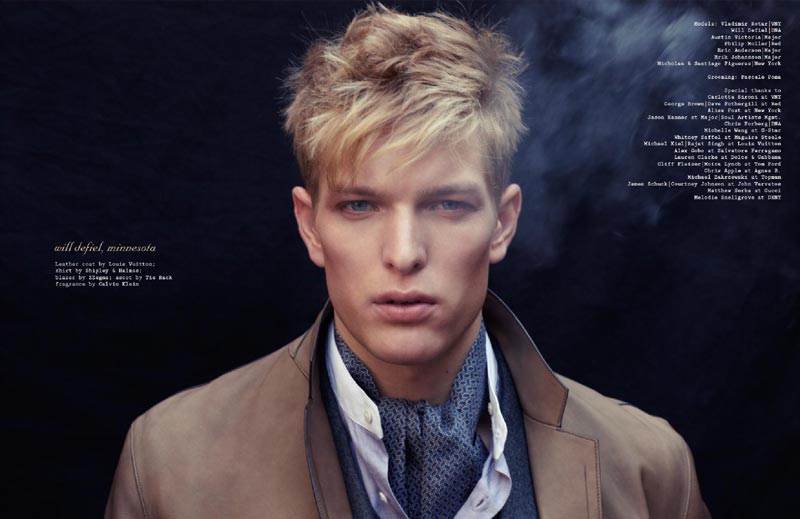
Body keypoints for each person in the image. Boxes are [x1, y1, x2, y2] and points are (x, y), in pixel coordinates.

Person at [106, 4, 710, 518]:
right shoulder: (167, 463)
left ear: (502, 222)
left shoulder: (649, 470)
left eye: (447, 205)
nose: (403, 254)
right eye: (360, 205)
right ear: (310, 226)